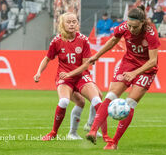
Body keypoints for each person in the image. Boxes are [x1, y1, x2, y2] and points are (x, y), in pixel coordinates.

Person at [61, 6, 161, 150]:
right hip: (128, 63)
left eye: (135, 27)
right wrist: (97, 55)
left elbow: (152, 61)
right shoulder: (124, 27)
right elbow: (113, 41)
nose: (131, 30)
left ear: (143, 23)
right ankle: (93, 130)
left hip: (146, 70)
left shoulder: (150, 33)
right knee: (110, 96)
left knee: (130, 104)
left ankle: (114, 142)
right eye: (130, 26)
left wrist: (135, 73)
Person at [33, 12, 111, 142]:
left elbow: (86, 65)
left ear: (77, 24)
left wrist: (71, 73)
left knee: (97, 100)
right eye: (68, 22)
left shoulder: (83, 40)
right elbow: (47, 59)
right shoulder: (57, 41)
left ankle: (105, 135)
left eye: (74, 21)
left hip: (81, 76)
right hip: (64, 78)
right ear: (62, 24)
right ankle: (54, 132)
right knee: (64, 101)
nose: (72, 24)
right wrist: (38, 72)